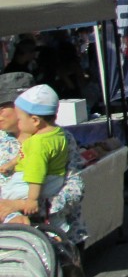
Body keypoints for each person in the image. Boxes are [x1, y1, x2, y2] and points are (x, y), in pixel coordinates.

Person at [0, 74, 86, 242]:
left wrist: (29, 205)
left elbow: (75, 186)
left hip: (58, 237)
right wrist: (10, 215)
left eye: (3, 107)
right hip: (11, 240)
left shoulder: (59, 138)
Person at [0, 85, 68, 223]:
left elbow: (36, 173)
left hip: (32, 188)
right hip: (52, 181)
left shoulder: (38, 143)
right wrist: (12, 163)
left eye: (19, 119)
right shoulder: (57, 135)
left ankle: (20, 221)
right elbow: (26, 155)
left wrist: (28, 202)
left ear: (35, 120)